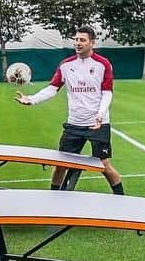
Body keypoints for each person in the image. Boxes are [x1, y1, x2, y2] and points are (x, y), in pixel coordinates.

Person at [15, 26, 125, 194]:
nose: (78, 43)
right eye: (76, 40)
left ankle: (121, 199)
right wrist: (31, 99)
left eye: (82, 40)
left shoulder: (103, 64)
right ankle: (54, 197)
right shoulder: (66, 65)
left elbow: (107, 93)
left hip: (98, 124)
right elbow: (52, 88)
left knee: (104, 165)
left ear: (92, 43)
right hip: (74, 123)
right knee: (61, 164)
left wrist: (100, 115)